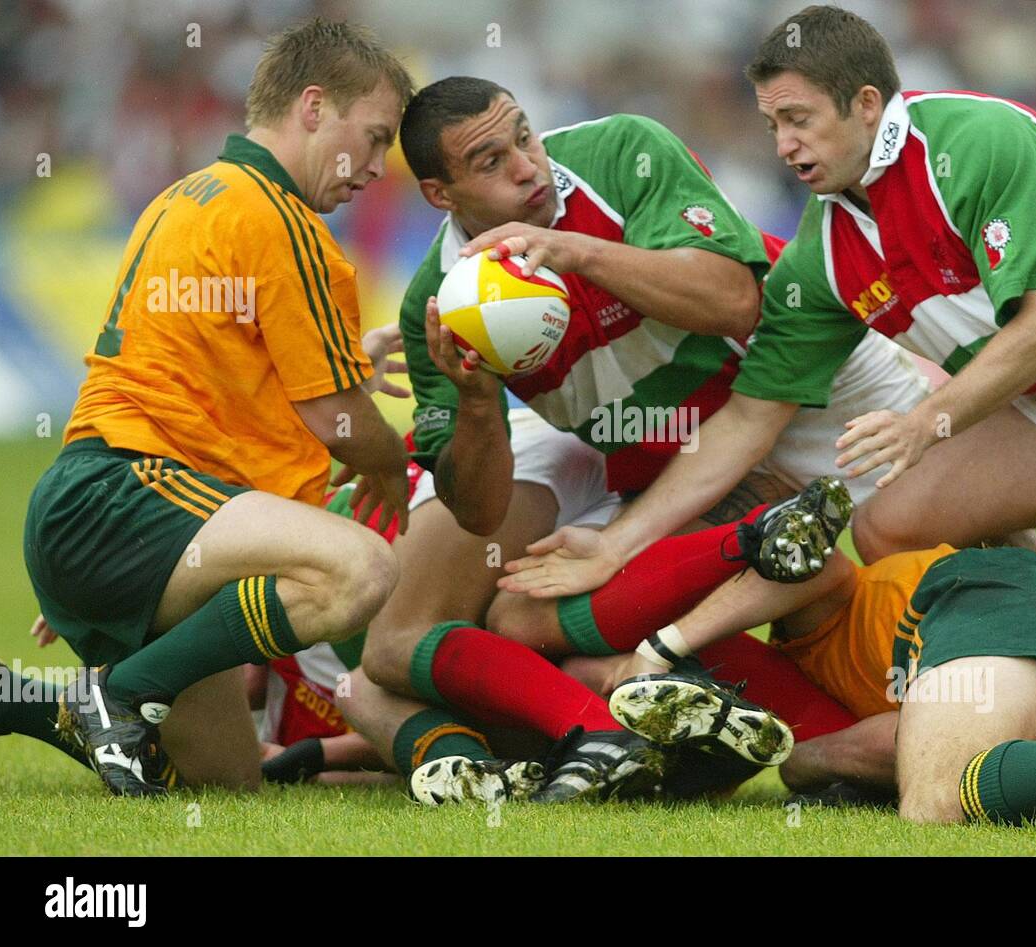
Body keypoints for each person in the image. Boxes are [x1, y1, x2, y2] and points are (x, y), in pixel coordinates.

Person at [502, 6, 1036, 753]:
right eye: (772, 123)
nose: (782, 144)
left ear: (868, 103)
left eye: (798, 118)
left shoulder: (982, 139)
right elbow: (748, 420)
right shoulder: (825, 253)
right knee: (889, 527)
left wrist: (927, 421)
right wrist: (615, 547)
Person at [349, 76, 930, 799]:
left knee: (949, 545)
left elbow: (733, 299)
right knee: (539, 617)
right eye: (490, 162)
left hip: (810, 376)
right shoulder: (439, 302)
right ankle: (820, 739)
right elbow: (479, 510)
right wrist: (473, 403)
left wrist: (578, 253)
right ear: (441, 195)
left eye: (523, 136)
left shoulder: (623, 153)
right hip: (687, 459)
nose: (527, 166)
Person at [20, 19, 416, 796]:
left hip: (103, 508)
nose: (376, 168)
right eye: (373, 139)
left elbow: (205, 385)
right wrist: (389, 466)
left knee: (228, 784)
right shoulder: (283, 219)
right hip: (124, 498)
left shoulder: (190, 195)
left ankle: (40, 704)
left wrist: (114, 576)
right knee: (362, 567)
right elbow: (335, 415)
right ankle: (122, 688)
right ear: (312, 107)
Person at [588, 481, 1036, 834]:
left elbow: (816, 570)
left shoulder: (822, 586)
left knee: (933, 796)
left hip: (993, 597)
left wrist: (662, 645)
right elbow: (914, 729)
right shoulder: (803, 657)